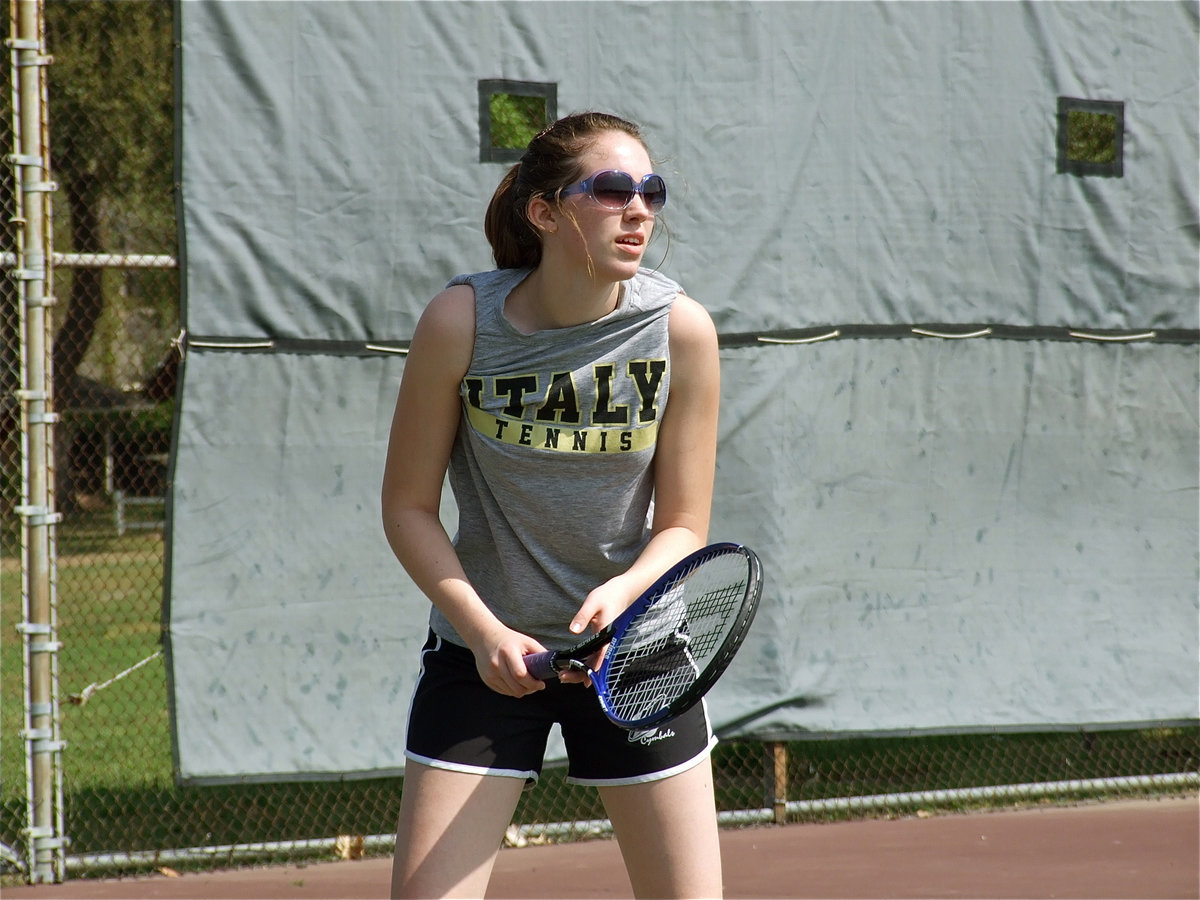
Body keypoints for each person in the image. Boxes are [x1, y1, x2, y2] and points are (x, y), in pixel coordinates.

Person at [381, 111, 723, 899]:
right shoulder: (460, 322)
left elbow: (683, 524)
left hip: (636, 655)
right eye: (612, 189)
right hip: (484, 657)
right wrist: (485, 634)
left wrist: (626, 593)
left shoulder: (681, 331)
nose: (638, 209)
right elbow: (407, 508)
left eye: (651, 191)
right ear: (544, 211)